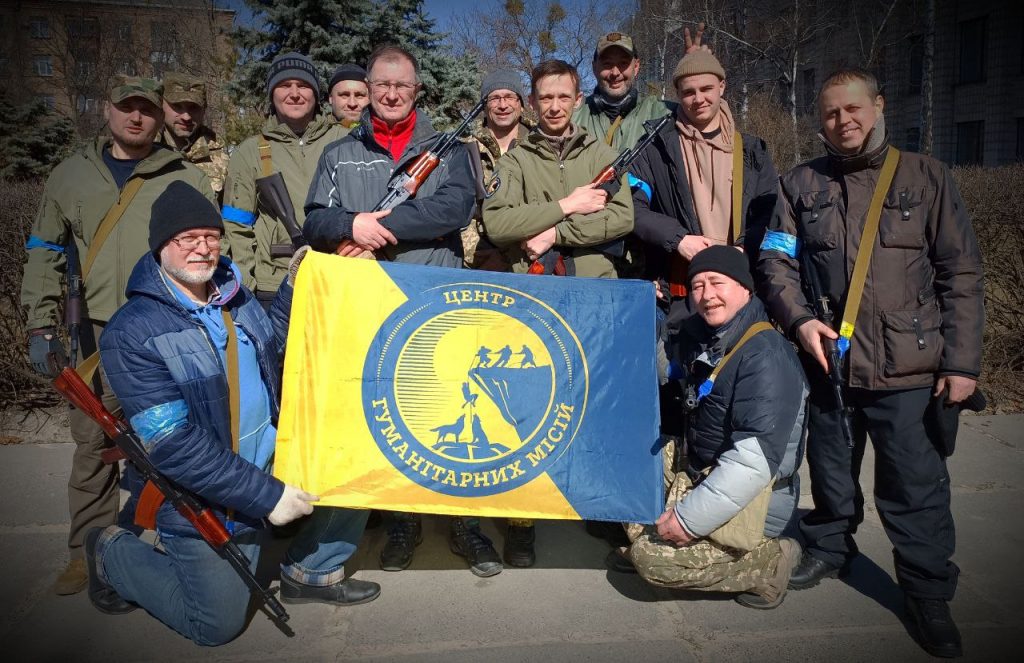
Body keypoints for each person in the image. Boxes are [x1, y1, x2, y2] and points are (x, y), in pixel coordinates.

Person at [88, 183, 380, 645]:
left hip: (271, 462)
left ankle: (310, 571)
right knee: (215, 625)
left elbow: (274, 345)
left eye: (211, 236)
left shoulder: (233, 295)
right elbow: (174, 447)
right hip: (207, 496)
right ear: (161, 244)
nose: (203, 248)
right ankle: (111, 552)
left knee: (355, 463)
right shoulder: (133, 332)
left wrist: (296, 283)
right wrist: (268, 498)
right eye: (188, 238)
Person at [757, 68, 984, 658]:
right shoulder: (799, 183)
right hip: (830, 363)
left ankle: (927, 591)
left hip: (910, 368)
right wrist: (800, 320)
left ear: (878, 106)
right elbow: (776, 263)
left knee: (914, 486)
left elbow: (960, 274)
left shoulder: (927, 176)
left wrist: (962, 363)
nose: (843, 121)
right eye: (831, 113)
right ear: (820, 119)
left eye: (853, 109)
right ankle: (832, 548)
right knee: (831, 471)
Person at [21, 75, 214, 597]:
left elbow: (208, 251)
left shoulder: (185, 176)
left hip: (169, 327)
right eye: (126, 107)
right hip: (100, 329)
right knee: (94, 442)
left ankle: (182, 539)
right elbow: (44, 249)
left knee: (180, 437)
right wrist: (39, 320)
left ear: (160, 116)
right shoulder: (70, 176)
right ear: (106, 109)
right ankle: (89, 548)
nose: (136, 118)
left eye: (146, 110)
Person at [302, 45, 489, 575]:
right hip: (367, 305)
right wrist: (346, 227)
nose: (390, 94)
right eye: (381, 84)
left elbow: (452, 208)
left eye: (401, 86)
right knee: (389, 420)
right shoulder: (339, 153)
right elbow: (315, 220)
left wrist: (375, 225)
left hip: (436, 299)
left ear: (416, 91)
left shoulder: (448, 148)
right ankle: (402, 520)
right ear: (368, 86)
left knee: (454, 412)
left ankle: (465, 524)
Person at [625, 245, 806, 610]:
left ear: (744, 288)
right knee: (623, 476)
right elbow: (663, 371)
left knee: (650, 561)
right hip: (703, 469)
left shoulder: (765, 355)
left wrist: (687, 521)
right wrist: (649, 311)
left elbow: (751, 464)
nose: (707, 296)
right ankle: (661, 535)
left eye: (717, 282)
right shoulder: (706, 335)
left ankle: (772, 559)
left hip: (758, 496)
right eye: (697, 286)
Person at [630, 49, 778, 330]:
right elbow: (633, 208)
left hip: (741, 288)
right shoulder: (655, 148)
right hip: (680, 292)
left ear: (722, 86)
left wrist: (744, 248)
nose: (699, 99)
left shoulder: (751, 150)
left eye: (707, 88)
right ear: (677, 93)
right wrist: (679, 239)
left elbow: (770, 211)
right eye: (689, 92)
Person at [482, 59, 634, 280]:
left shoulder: (603, 156)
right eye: (546, 98)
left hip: (597, 288)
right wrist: (566, 205)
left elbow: (623, 217)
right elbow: (497, 224)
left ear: (578, 100)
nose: (555, 107)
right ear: (532, 102)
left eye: (564, 97)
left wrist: (556, 234)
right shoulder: (514, 161)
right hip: (536, 289)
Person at [222, 52, 347, 303]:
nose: (294, 93)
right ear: (272, 94)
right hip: (276, 285)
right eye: (284, 85)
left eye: (303, 85)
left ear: (316, 94)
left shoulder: (343, 141)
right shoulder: (251, 151)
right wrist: (245, 287)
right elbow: (237, 226)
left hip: (341, 278)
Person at [461, 69, 535, 271]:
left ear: (520, 103)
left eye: (509, 97)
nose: (503, 105)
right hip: (479, 262)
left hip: (531, 258)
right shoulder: (464, 148)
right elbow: (458, 209)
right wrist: (478, 252)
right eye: (494, 98)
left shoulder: (540, 145)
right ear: (485, 106)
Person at [572, 32, 672, 152]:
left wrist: (692, 77)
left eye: (623, 63)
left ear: (636, 67)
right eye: (607, 64)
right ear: (594, 68)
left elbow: (693, 112)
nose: (615, 73)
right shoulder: (573, 116)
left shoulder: (659, 112)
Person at [160, 71, 230, 199]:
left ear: (204, 110)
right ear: (161, 105)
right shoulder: (145, 148)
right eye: (177, 106)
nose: (186, 117)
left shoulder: (218, 153)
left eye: (194, 107)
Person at [327, 63, 370, 129]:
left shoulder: (382, 135)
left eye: (359, 95)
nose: (352, 104)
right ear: (330, 98)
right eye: (344, 95)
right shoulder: (315, 134)